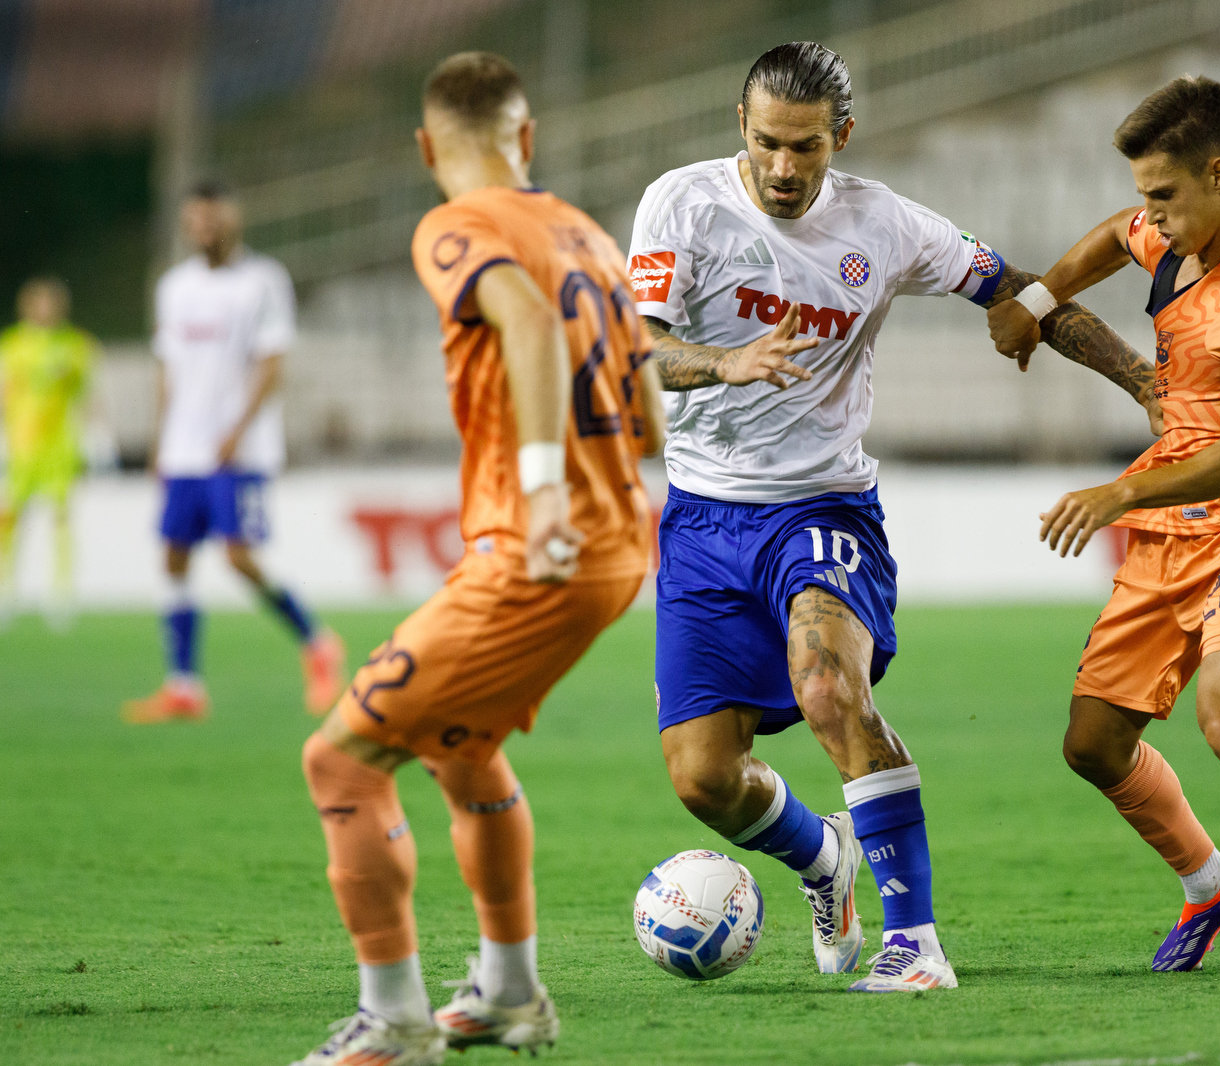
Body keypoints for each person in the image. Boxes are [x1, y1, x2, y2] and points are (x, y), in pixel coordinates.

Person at [630, 41, 1159, 993]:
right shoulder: (683, 203)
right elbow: (635, 349)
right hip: (704, 519)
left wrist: (1146, 385)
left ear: (842, 135)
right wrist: (724, 361)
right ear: (737, 129)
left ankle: (914, 946)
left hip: (823, 507)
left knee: (832, 689)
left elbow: (1013, 286)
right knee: (704, 779)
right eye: (766, 146)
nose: (785, 170)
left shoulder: (886, 223)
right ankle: (825, 861)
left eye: (805, 148)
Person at [290, 52, 663, 1066]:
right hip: (615, 538)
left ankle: (394, 1020)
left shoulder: (455, 225)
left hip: (541, 547)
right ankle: (506, 990)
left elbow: (530, 324)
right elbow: (645, 404)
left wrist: (543, 484)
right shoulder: (585, 232)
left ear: (425, 148)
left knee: (341, 758)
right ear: (527, 137)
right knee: (462, 748)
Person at [988, 75, 1220, 994]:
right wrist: (1037, 299)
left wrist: (1120, 494)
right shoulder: (1168, 235)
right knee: (1092, 745)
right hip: (1166, 534)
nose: (1149, 213)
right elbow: (1116, 234)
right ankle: (1210, 882)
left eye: (1165, 194)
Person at [121, 182, 344, 724]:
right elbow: (167, 367)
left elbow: (271, 364)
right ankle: (184, 686)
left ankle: (317, 642)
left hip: (238, 451)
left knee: (238, 556)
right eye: (194, 220)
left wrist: (237, 429)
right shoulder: (174, 287)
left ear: (232, 220)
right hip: (184, 448)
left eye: (211, 219)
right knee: (173, 555)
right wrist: (161, 439)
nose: (202, 229)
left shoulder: (262, 282)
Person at [0, 277, 98, 628]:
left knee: (60, 518)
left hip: (59, 447)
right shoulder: (11, 346)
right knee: (10, 519)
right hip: (22, 446)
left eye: (51, 303)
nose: (45, 310)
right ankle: (6, 589)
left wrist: (98, 439)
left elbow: (87, 396)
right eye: (38, 303)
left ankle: (61, 592)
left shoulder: (75, 346)